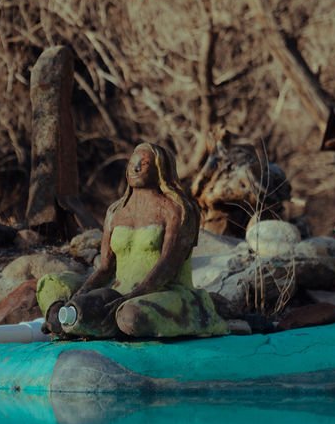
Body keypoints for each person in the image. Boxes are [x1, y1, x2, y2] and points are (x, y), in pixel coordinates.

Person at [38, 143, 227, 339]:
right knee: (50, 283)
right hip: (116, 290)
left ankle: (78, 322)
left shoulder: (177, 210)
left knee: (129, 317)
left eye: (143, 164)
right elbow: (105, 268)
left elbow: (167, 267)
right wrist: (80, 294)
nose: (135, 168)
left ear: (160, 170)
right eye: (132, 163)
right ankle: (66, 318)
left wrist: (131, 296)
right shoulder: (115, 212)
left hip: (164, 292)